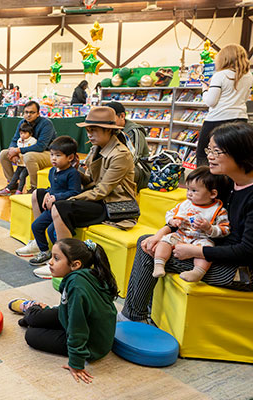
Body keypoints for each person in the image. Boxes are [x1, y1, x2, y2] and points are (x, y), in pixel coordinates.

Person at [120, 122, 253, 323]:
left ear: (240, 153)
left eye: (217, 151)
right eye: (209, 149)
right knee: (150, 242)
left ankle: (134, 317)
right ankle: (146, 313)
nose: (209, 156)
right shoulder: (226, 183)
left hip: (239, 272)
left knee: (149, 251)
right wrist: (161, 234)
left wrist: (195, 252)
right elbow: (188, 215)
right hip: (213, 251)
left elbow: (247, 251)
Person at [42, 107, 137, 279]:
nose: (89, 134)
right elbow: (90, 181)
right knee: (42, 195)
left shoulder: (120, 154)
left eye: (93, 130)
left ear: (108, 130)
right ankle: (45, 249)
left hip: (112, 205)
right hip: (97, 199)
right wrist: (72, 171)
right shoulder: (96, 148)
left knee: (61, 207)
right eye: (87, 130)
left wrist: (70, 197)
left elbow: (102, 190)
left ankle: (65, 263)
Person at [8, 238, 118, 384]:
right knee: (35, 319)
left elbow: (78, 327)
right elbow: (74, 310)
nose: (50, 262)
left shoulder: (76, 286)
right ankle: (32, 311)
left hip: (91, 345)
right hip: (88, 328)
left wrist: (76, 363)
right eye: (52, 256)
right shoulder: (89, 274)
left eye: (56, 258)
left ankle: (33, 309)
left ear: (75, 265)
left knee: (32, 334)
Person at [152, 166, 230, 282]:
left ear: (213, 194)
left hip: (201, 239)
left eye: (194, 190)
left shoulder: (218, 210)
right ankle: (159, 264)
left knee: (207, 251)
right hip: (181, 235)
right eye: (188, 189)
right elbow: (170, 213)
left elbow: (225, 230)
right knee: (164, 241)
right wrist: (173, 221)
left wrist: (209, 228)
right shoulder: (186, 204)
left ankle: (197, 272)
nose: (189, 194)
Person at [25, 137, 82, 268]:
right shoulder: (52, 171)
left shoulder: (72, 174)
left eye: (58, 155)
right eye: (51, 155)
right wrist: (48, 193)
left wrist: (57, 197)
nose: (53, 159)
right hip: (51, 208)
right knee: (36, 226)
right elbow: (53, 187)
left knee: (52, 231)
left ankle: (57, 257)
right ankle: (44, 251)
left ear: (70, 157)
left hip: (61, 209)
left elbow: (75, 192)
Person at [196, 43, 253, 166]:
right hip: (240, 119)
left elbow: (211, 101)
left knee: (205, 154)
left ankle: (204, 184)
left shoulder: (220, 75)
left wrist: (205, 89)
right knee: (234, 155)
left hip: (217, 120)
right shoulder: (249, 76)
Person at [0, 101, 55, 195]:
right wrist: (13, 152)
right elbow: (15, 140)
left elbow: (41, 146)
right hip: (26, 152)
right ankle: (13, 184)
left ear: (38, 113)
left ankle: (33, 188)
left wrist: (18, 150)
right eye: (26, 112)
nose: (28, 115)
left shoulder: (46, 124)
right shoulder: (22, 122)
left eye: (32, 112)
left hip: (47, 154)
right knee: (4, 154)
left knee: (28, 157)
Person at [107, 101, 151, 191]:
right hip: (115, 163)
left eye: (111, 118)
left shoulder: (134, 131)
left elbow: (134, 158)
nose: (108, 121)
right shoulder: (109, 129)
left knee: (115, 173)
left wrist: (114, 167)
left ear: (122, 116)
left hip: (138, 169)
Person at [1, 123, 38, 195]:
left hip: (27, 165)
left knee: (22, 176)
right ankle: (9, 188)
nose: (22, 135)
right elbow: (16, 148)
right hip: (21, 163)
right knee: (15, 175)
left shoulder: (33, 141)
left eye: (25, 133)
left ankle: (19, 190)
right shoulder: (19, 140)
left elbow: (32, 151)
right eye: (21, 133)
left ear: (30, 133)